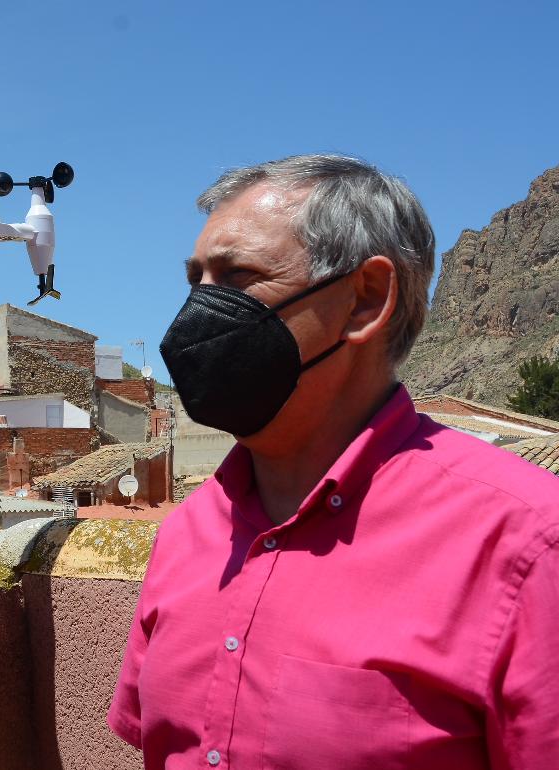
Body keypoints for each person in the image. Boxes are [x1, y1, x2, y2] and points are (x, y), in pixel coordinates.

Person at [109, 155, 559, 768]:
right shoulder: (187, 533)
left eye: (237, 278)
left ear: (364, 299)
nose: (196, 316)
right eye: (196, 282)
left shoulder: (526, 545)